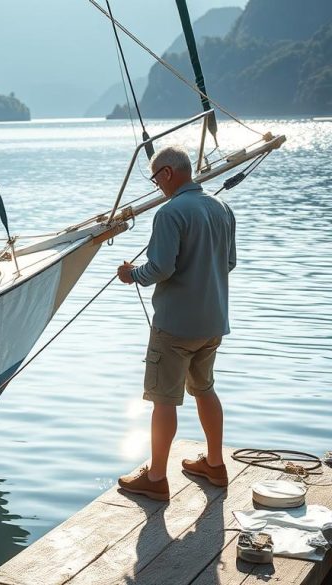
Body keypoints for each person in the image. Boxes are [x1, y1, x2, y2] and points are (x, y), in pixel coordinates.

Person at [116, 145, 237, 501]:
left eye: (156, 179)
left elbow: (161, 268)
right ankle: (214, 464)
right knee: (204, 389)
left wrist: (131, 274)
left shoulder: (170, 213)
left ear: (168, 173)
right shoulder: (222, 207)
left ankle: (155, 478)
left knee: (163, 400)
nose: (158, 187)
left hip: (175, 327)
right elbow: (228, 262)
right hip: (213, 322)